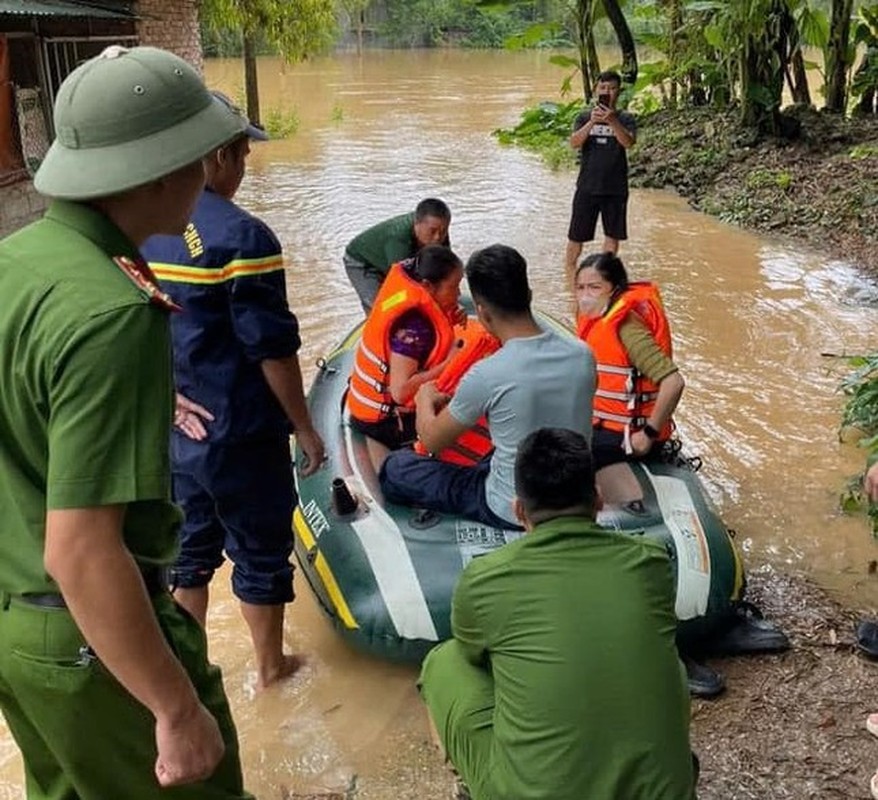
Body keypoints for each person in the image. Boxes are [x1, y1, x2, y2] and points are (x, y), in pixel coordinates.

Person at [0, 46, 255, 798]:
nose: (211, 170)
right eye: (199, 153)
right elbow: (81, 551)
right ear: (160, 171)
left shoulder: (19, 262)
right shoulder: (114, 314)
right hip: (92, 635)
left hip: (20, 630)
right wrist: (174, 708)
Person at [141, 91, 325, 691]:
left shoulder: (142, 229)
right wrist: (303, 425)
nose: (243, 169)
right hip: (243, 433)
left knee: (188, 552)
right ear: (217, 157)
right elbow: (270, 348)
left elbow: (130, 326)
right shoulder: (245, 238)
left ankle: (190, 671)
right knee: (261, 552)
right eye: (242, 155)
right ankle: (271, 671)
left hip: (179, 431)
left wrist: (165, 396)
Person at [419, 427, 698, 800]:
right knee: (671, 669)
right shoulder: (650, 562)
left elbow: (472, 654)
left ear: (519, 510)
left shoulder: (484, 578)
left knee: (444, 662)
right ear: (598, 499)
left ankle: (470, 785)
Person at [379, 244, 596, 529]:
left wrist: (423, 397)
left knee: (396, 468)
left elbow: (431, 440)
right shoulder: (582, 355)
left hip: (511, 507)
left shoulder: (488, 373)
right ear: (529, 296)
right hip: (575, 496)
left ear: (481, 313)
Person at [346, 244, 465, 464]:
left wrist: (449, 315)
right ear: (428, 286)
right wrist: (448, 364)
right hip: (385, 420)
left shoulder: (414, 297)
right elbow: (400, 391)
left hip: (375, 401)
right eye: (454, 287)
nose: (458, 293)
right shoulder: (413, 327)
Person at [575, 251, 685, 471]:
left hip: (628, 436)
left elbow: (674, 382)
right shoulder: (596, 317)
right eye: (580, 287)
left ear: (615, 289)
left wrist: (647, 436)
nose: (585, 295)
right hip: (605, 427)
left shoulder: (627, 326)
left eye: (594, 287)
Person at [565, 70, 636, 273]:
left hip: (616, 188)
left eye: (612, 88)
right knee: (575, 236)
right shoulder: (584, 116)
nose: (607, 92)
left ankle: (605, 276)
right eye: (603, 88)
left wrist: (613, 121)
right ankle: (569, 276)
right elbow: (574, 142)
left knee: (612, 236)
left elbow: (628, 143)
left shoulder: (625, 118)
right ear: (596, 90)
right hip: (587, 186)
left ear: (618, 92)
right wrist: (592, 122)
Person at [344, 198, 452, 313]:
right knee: (380, 308)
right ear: (416, 224)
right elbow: (401, 281)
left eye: (443, 231)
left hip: (388, 258)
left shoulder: (438, 230)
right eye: (432, 231)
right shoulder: (398, 240)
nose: (437, 237)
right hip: (362, 262)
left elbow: (447, 267)